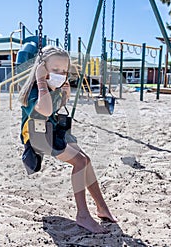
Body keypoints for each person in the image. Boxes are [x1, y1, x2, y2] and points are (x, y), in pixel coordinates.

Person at [18, 45, 116, 233]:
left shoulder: (52, 86)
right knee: (79, 162)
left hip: (53, 132)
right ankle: (82, 215)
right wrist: (40, 80)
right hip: (39, 137)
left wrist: (63, 93)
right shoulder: (34, 91)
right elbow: (45, 110)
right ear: (42, 68)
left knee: (86, 160)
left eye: (63, 70)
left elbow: (56, 107)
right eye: (55, 70)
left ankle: (102, 207)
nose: (60, 74)